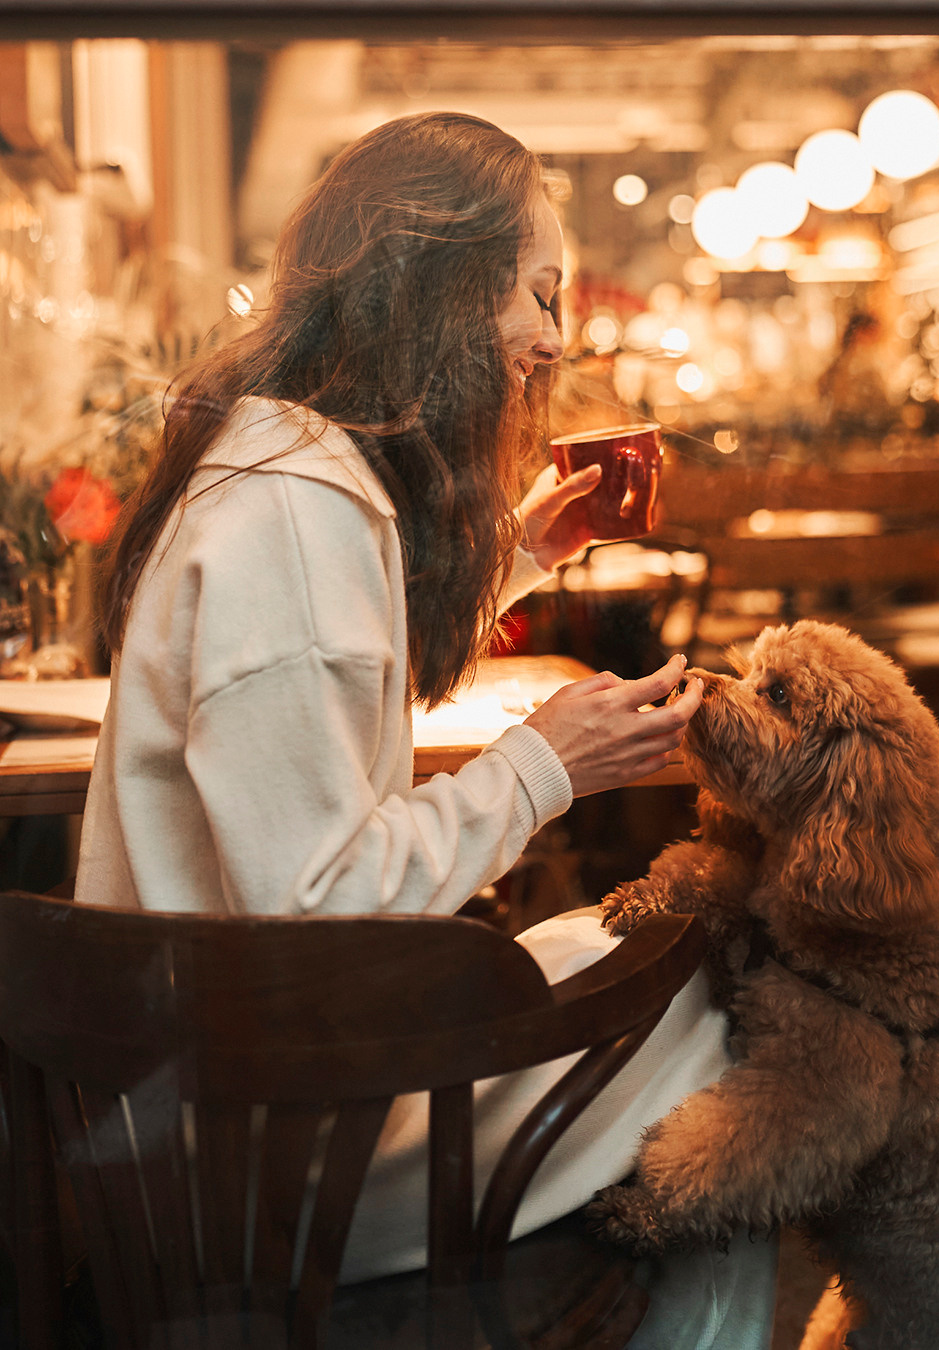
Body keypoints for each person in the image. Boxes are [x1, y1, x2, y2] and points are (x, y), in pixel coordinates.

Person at [77, 112, 776, 1345]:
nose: (558, 337)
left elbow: (315, 698)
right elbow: (319, 910)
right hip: (272, 1157)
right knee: (746, 1002)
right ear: (444, 290)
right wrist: (544, 767)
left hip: (221, 1077)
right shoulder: (299, 513)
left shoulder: (286, 465)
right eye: (540, 292)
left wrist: (516, 556)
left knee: (639, 941)